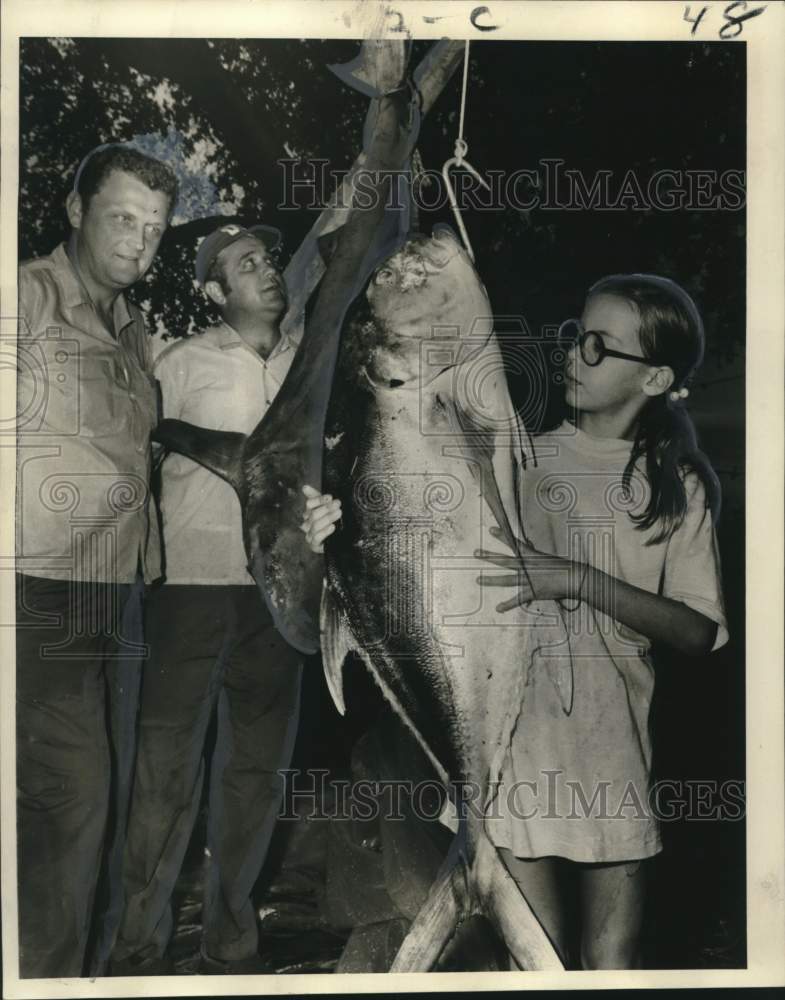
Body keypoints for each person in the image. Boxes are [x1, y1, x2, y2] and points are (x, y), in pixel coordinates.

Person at [301, 273, 728, 969]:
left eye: (596, 345)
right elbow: (418, 547)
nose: (570, 354)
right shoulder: (515, 455)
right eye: (572, 336)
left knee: (610, 964)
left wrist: (576, 579)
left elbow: (697, 632)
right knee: (535, 961)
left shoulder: (674, 487)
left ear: (653, 380)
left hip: (611, 752)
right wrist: (340, 530)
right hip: (509, 749)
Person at [110, 223, 303, 975]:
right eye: (244, 265)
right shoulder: (181, 358)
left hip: (280, 595)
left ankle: (231, 945)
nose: (267, 269)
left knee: (256, 776)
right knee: (164, 773)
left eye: (268, 257)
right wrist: (210, 444)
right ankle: (137, 948)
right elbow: (143, 431)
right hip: (188, 589)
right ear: (215, 292)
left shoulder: (308, 365)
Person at [15, 143, 178, 978]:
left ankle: (79, 977)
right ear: (75, 211)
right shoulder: (25, 297)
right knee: (70, 802)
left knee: (99, 809)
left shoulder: (134, 331)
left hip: (117, 594)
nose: (138, 239)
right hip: (37, 589)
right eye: (122, 216)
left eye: (153, 227)